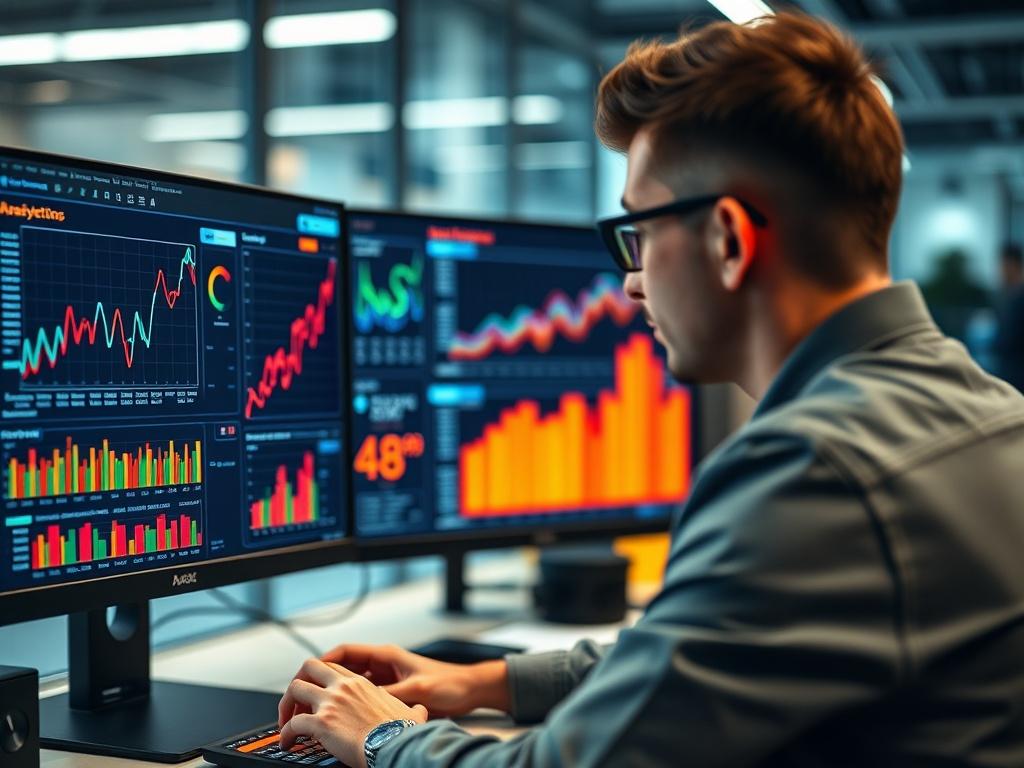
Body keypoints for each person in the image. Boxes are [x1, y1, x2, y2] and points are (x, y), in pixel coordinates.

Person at [277, 11, 1024, 767]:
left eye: (640, 232)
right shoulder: (990, 412)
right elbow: (714, 652)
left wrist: (385, 736)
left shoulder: (812, 471)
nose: (630, 282)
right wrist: (484, 680)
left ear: (728, 241)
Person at [994, 242, 1024, 391]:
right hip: (1009, 369)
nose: (1001, 271)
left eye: (1004, 265)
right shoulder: (1008, 295)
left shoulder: (1019, 298)